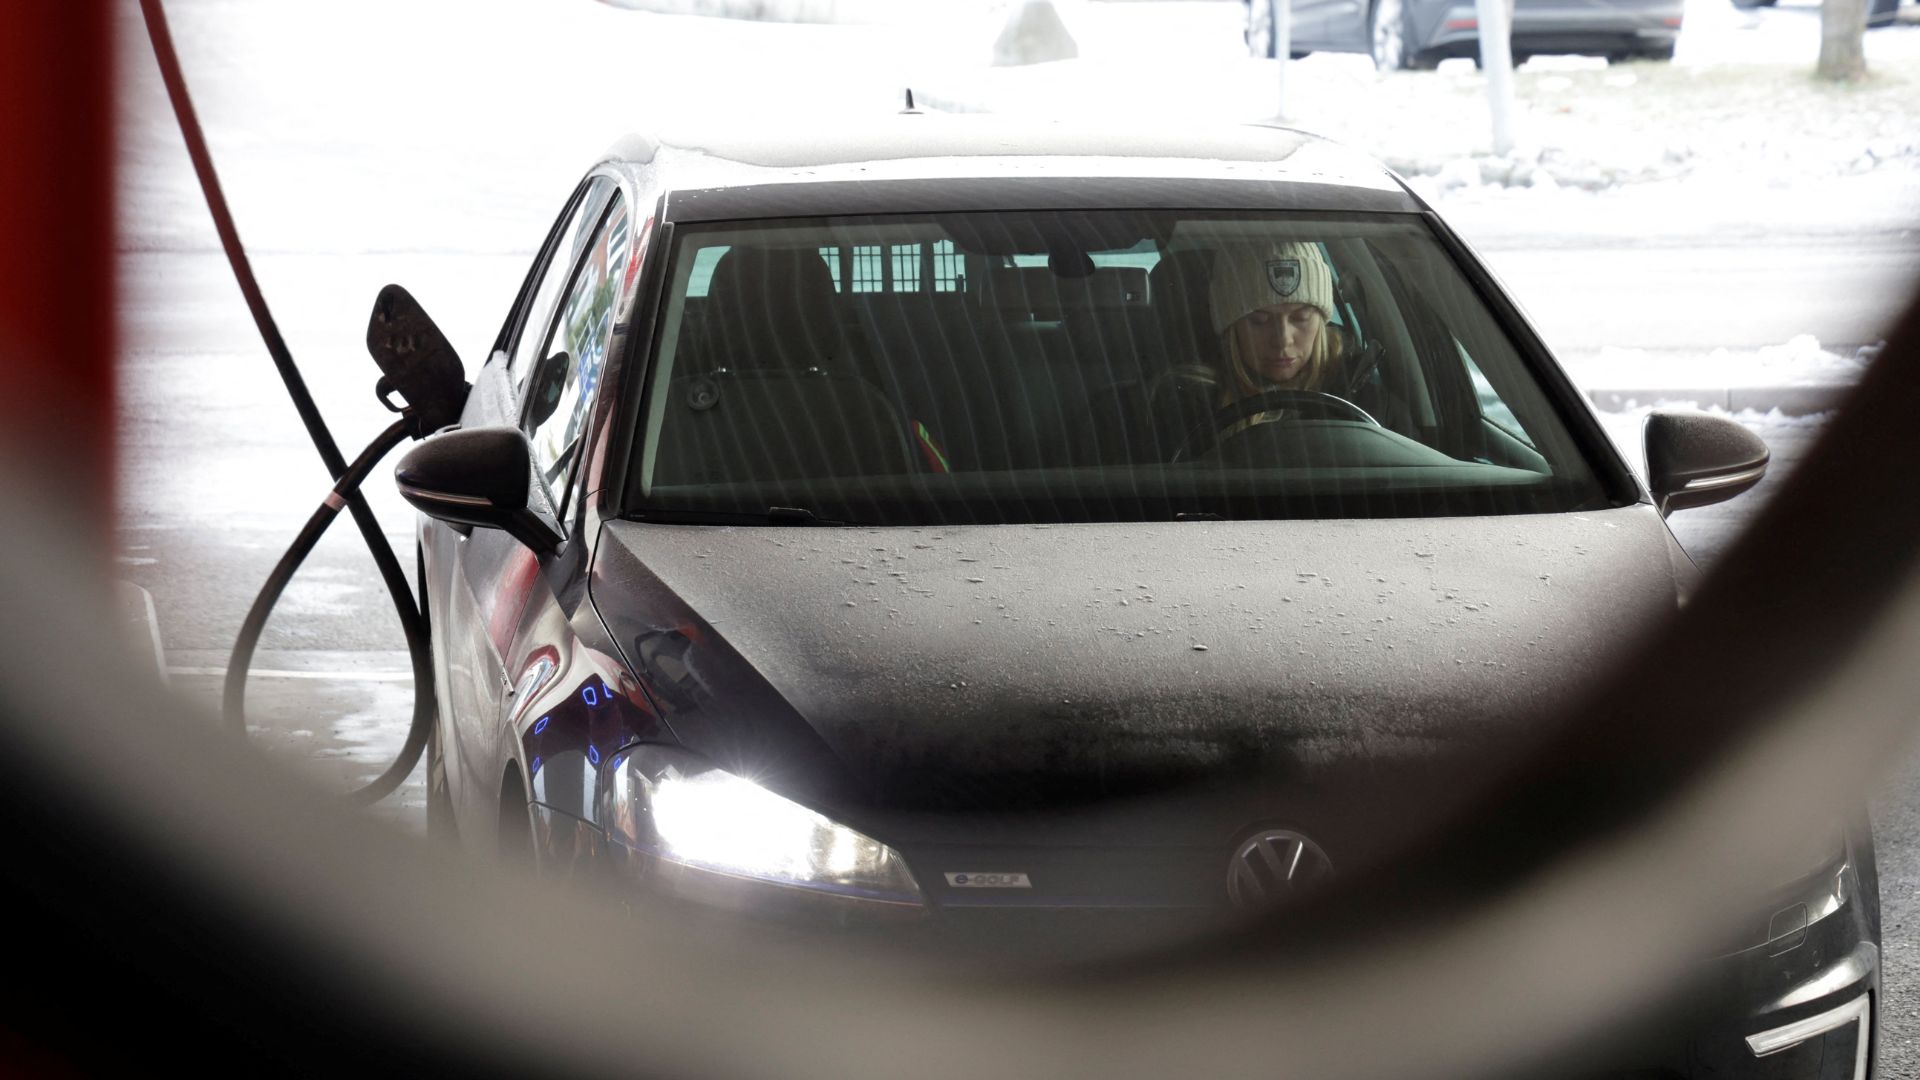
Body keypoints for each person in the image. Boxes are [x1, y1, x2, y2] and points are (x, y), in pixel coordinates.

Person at [1205, 239, 1342, 405]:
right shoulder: (1196, 402)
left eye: (1301, 317)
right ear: (1232, 327)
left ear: (1320, 321)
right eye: (1259, 321)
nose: (1282, 340)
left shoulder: (1355, 384)